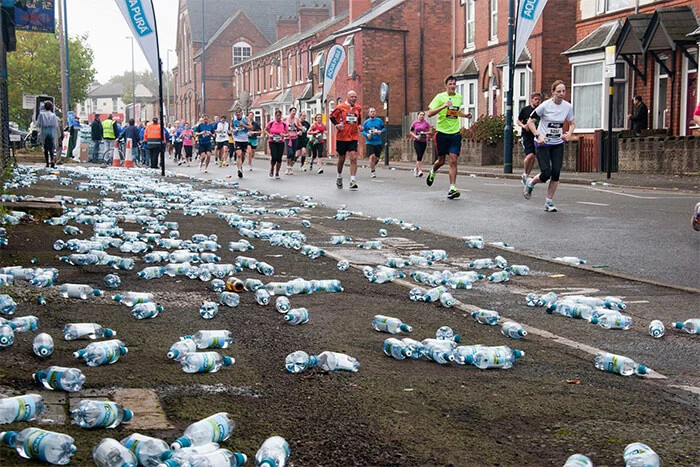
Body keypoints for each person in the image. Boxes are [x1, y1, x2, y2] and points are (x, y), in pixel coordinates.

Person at [524, 80, 576, 212]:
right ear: (553, 92)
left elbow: (572, 123)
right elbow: (530, 122)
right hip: (543, 143)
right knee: (546, 173)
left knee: (556, 173)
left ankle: (549, 202)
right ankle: (531, 183)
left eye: (563, 91)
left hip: (557, 143)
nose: (561, 94)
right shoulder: (545, 106)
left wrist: (568, 134)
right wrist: (538, 135)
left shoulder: (567, 107)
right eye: (558, 91)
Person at [426, 75, 473, 199]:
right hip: (441, 133)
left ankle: (452, 188)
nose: (452, 86)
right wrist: (443, 106)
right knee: (441, 161)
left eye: (454, 84)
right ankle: (433, 171)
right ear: (445, 85)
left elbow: (455, 112)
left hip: (455, 133)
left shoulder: (459, 97)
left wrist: (465, 115)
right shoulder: (439, 97)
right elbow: (430, 113)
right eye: (450, 84)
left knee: (453, 160)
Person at [329, 90, 362, 190]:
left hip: (353, 136)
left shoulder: (358, 108)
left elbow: (358, 119)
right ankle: (339, 176)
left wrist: (360, 125)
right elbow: (331, 117)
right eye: (352, 97)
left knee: (353, 157)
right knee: (342, 158)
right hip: (342, 136)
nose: (353, 99)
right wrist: (337, 125)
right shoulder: (340, 108)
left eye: (355, 97)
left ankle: (352, 180)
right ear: (347, 97)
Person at [517, 92, 543, 184]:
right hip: (526, 136)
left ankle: (527, 175)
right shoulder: (525, 110)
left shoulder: (540, 111)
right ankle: (524, 173)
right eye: (536, 99)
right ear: (532, 100)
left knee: (533, 157)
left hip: (537, 136)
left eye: (539, 100)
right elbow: (518, 120)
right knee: (530, 155)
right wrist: (523, 126)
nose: (537, 101)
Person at [361, 107, 386, 178]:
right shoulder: (366, 122)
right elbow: (362, 131)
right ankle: (372, 171)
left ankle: (372, 166)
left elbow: (384, 128)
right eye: (371, 112)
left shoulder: (379, 121)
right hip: (370, 142)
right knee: (372, 157)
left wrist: (380, 131)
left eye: (374, 111)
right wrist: (367, 135)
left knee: (377, 159)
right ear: (369, 113)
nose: (373, 113)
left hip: (378, 142)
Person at [264, 109, 289, 179]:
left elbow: (288, 133)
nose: (278, 117)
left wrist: (284, 134)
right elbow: (265, 130)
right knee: (274, 157)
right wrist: (269, 135)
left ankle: (277, 172)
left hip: (281, 142)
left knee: (279, 158)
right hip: (273, 142)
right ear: (275, 116)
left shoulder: (284, 124)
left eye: (279, 116)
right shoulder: (271, 123)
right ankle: (272, 168)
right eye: (277, 116)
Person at [37, 100, 61, 168]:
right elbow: (56, 125)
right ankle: (52, 159)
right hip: (51, 131)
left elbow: (39, 123)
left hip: (44, 130)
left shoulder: (41, 114)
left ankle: (47, 162)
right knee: (51, 147)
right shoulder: (53, 115)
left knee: (45, 147)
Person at [409, 111, 431, 177]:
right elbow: (411, 131)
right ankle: (420, 171)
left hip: (424, 141)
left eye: (423, 115)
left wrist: (426, 134)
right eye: (420, 115)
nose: (422, 116)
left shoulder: (426, 124)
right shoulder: (415, 123)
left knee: (420, 156)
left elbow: (430, 131)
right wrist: (415, 136)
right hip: (417, 141)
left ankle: (416, 169)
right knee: (419, 155)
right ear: (418, 115)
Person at [231, 108, 251, 178]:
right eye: (236, 114)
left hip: (245, 140)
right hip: (237, 139)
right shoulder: (234, 120)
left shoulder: (246, 119)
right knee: (238, 154)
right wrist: (233, 130)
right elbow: (231, 127)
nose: (237, 115)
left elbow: (251, 127)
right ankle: (239, 169)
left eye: (239, 113)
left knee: (243, 156)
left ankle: (240, 166)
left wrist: (243, 125)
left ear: (241, 113)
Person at [284, 108, 301, 175]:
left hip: (295, 137)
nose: (294, 112)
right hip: (288, 138)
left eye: (295, 111)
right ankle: (287, 167)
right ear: (290, 112)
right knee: (289, 152)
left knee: (293, 153)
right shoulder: (285, 119)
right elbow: (281, 125)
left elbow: (301, 127)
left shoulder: (296, 120)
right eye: (293, 111)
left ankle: (290, 168)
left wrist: (298, 129)